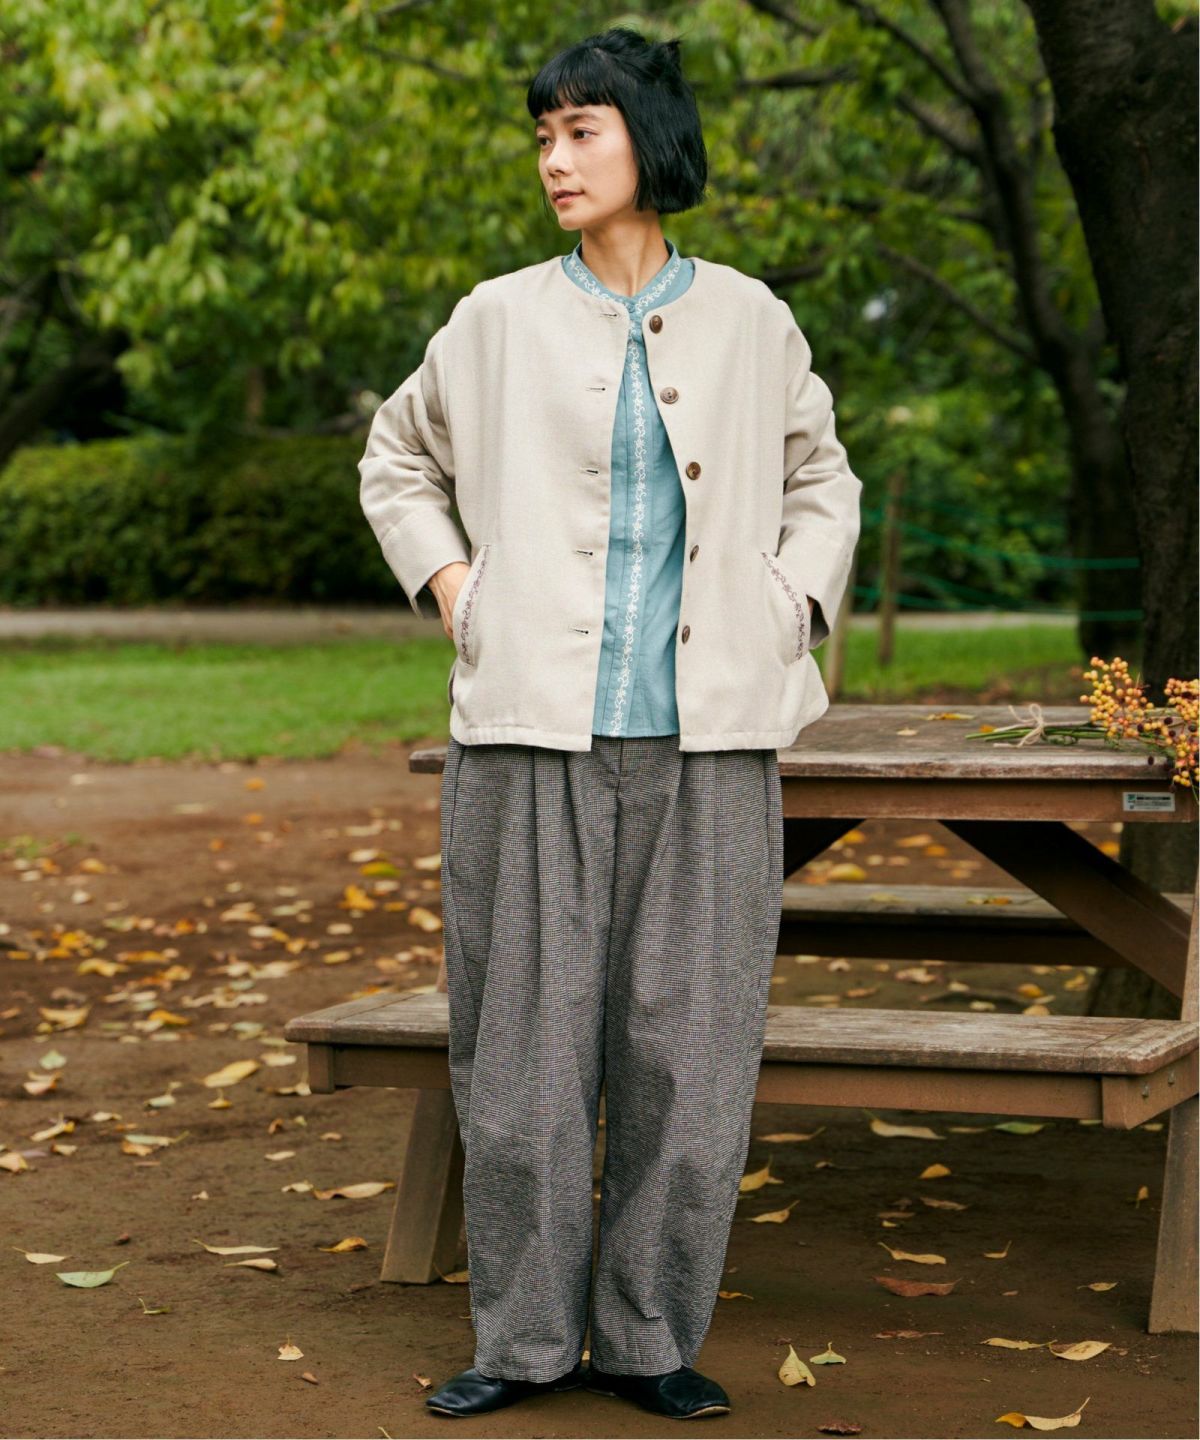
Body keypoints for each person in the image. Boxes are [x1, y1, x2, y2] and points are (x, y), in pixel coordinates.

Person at [357, 24, 863, 1422]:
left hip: (711, 747)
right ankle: (523, 1344)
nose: (555, 159)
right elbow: (398, 458)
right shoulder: (493, 319)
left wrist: (791, 604)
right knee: (522, 1062)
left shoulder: (751, 321)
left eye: (582, 129)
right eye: (543, 135)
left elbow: (823, 478)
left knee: (687, 1063)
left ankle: (647, 1340)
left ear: (651, 137)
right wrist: (458, 589)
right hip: (529, 740)